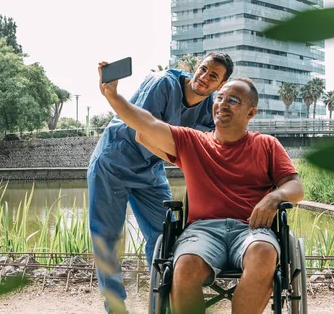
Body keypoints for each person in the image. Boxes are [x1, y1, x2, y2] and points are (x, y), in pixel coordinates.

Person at [97, 72, 304, 314]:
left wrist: (273, 198)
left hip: (252, 228)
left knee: (264, 252)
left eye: (233, 100)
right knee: (184, 266)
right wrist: (113, 96)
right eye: (220, 97)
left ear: (251, 112)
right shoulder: (192, 141)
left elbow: (295, 187)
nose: (222, 104)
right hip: (202, 230)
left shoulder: (267, 144)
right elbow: (147, 124)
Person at [88, 52, 234, 313]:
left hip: (151, 170)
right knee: (106, 239)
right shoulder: (163, 84)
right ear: (196, 68)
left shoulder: (209, 108)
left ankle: (160, 306)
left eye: (213, 76)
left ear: (220, 85)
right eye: (203, 69)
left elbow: (207, 146)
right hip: (114, 162)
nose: (204, 77)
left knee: (163, 237)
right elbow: (142, 131)